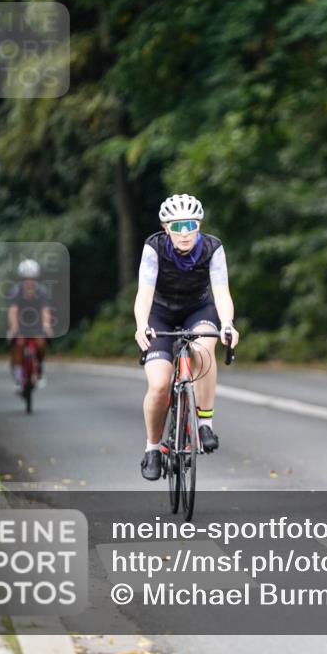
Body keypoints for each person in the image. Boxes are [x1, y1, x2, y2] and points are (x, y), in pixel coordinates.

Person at [133, 194, 240, 481]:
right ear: (166, 227)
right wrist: (142, 324)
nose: (184, 233)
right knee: (158, 385)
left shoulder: (212, 247)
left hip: (198, 309)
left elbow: (221, 292)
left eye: (190, 225)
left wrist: (228, 323)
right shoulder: (153, 247)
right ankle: (153, 448)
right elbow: (144, 294)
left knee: (204, 347)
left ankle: (205, 422)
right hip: (160, 314)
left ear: (199, 226)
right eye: (177, 226)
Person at [7, 259, 53, 389]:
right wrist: (14, 327)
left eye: (32, 278)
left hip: (36, 324)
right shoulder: (16, 291)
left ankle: (40, 370)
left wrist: (47, 325)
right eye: (26, 279)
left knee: (41, 343)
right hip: (20, 324)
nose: (29, 281)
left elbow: (45, 311)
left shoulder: (42, 291)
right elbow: (13, 311)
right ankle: (17, 376)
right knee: (19, 343)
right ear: (22, 279)